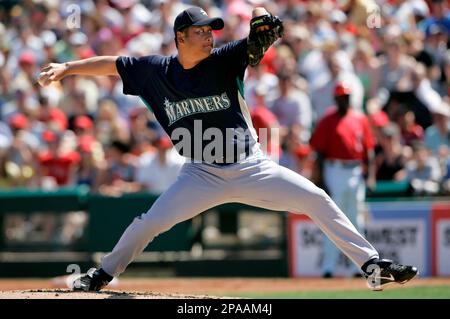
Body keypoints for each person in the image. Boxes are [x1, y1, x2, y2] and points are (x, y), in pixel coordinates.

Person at [38, 6, 418, 292]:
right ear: (181, 37)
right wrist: (69, 67)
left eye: (212, 31)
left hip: (252, 166)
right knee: (150, 223)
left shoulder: (225, 59)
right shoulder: (155, 70)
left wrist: (260, 16)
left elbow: (260, 33)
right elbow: (114, 64)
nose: (210, 37)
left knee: (317, 198)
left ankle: (371, 264)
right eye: (201, 32)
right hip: (200, 172)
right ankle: (102, 274)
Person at [310, 82, 376, 278]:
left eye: (346, 97)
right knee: (333, 219)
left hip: (355, 170)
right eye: (340, 97)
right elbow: (319, 153)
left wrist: (370, 176)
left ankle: (360, 267)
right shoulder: (328, 119)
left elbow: (369, 151)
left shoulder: (359, 118)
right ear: (335, 99)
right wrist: (321, 180)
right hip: (335, 169)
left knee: (356, 220)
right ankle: (328, 268)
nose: (343, 100)